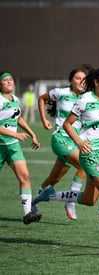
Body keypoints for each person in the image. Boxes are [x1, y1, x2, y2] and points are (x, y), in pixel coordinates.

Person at [32, 65, 99, 251]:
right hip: (89, 153)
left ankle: (49, 195)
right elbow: (67, 125)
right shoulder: (84, 100)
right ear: (96, 82)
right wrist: (79, 143)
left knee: (89, 200)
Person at [31, 65, 92, 220]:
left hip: (74, 142)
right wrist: (44, 120)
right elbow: (42, 98)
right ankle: (70, 202)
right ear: (71, 80)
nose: (81, 81)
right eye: (78, 78)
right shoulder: (61, 92)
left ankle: (34, 202)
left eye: (84, 79)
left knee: (54, 179)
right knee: (84, 166)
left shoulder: (86, 98)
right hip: (61, 139)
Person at [0, 71, 41, 224]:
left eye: (11, 79)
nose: (9, 82)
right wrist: (15, 134)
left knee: (24, 176)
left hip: (12, 146)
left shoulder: (15, 99)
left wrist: (32, 134)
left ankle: (27, 213)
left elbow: (18, 118)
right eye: (5, 80)